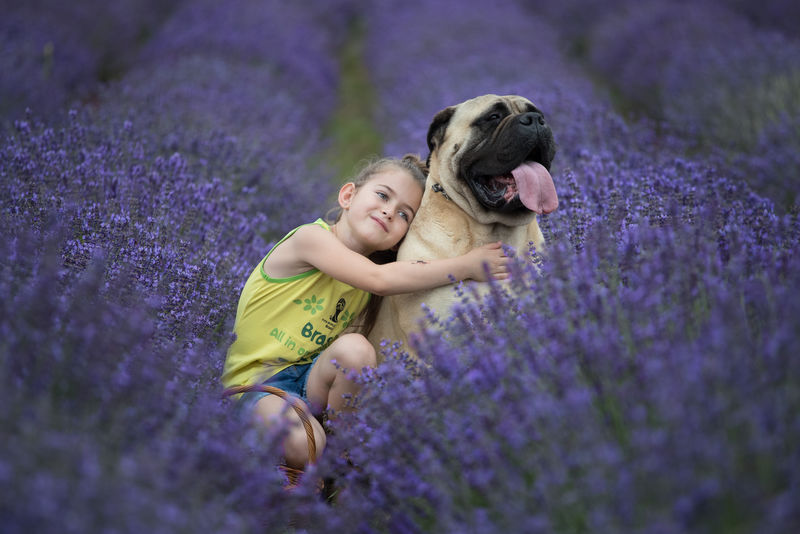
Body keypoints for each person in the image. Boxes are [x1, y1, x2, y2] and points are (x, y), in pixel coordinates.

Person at [221, 154, 508, 469]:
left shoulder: (369, 276)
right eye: (383, 195)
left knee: (356, 350)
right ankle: (315, 462)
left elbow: (394, 286)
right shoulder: (310, 239)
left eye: (404, 215)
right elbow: (380, 280)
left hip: (308, 380)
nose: (388, 211)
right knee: (306, 443)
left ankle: (344, 455)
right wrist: (466, 266)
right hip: (255, 386)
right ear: (348, 196)